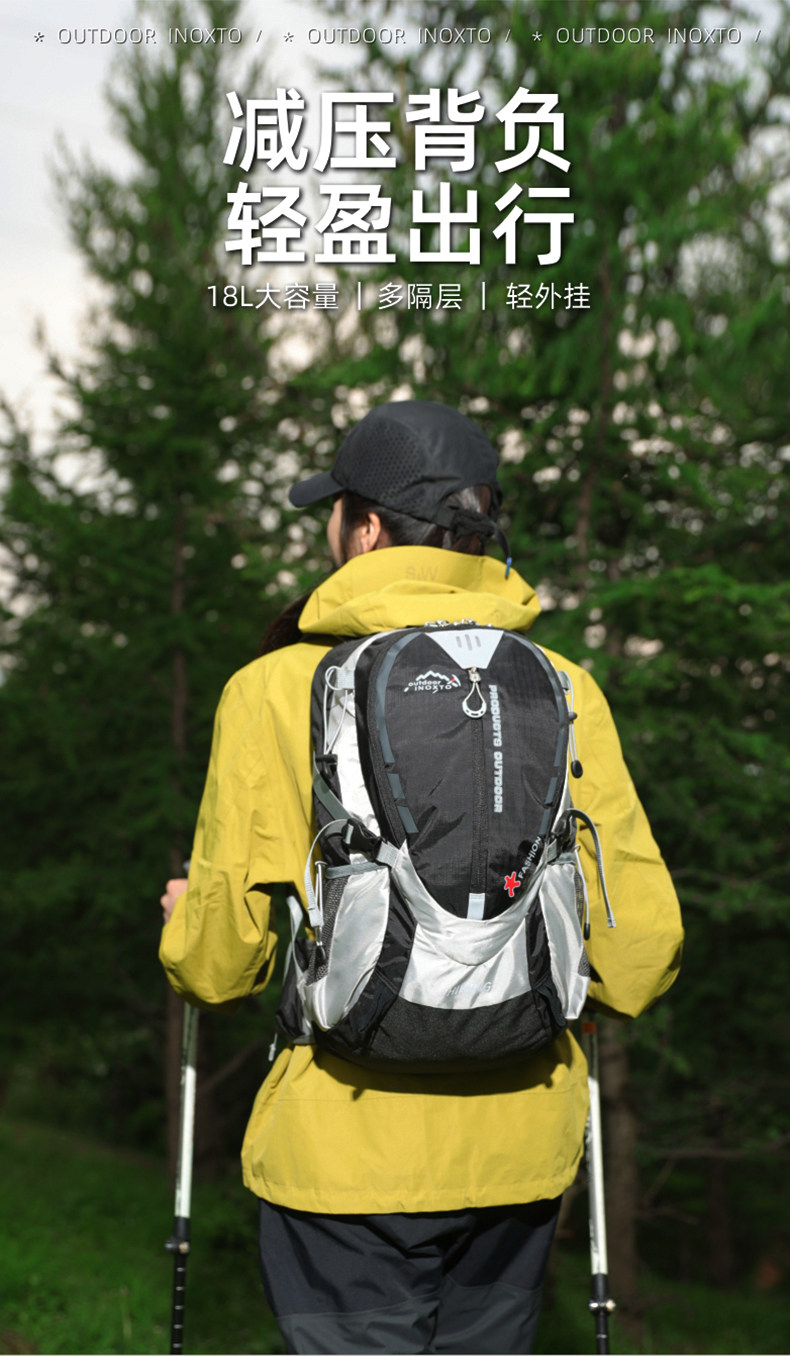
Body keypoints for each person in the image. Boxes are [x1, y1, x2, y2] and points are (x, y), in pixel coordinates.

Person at [160, 399, 683, 1356]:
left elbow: (217, 969)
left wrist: (188, 919)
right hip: (519, 1160)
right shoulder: (564, 688)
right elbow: (639, 960)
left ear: (365, 529)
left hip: (339, 1162)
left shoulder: (273, 689)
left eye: (334, 511)